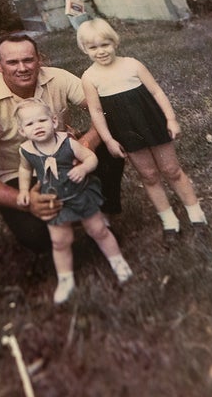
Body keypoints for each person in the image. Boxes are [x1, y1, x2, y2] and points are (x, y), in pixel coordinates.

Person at [0, 33, 125, 253]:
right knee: (37, 238)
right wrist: (25, 200)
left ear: (40, 59)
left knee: (111, 139)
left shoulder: (58, 78)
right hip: (19, 174)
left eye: (28, 60)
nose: (22, 68)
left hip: (65, 159)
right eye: (12, 62)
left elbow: (105, 111)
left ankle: (101, 215)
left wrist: (86, 143)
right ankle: (57, 218)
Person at [77, 18, 208, 249]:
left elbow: (156, 92)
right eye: (93, 47)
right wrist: (108, 139)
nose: (101, 51)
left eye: (105, 44)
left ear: (114, 42)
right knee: (148, 175)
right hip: (126, 132)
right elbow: (96, 111)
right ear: (85, 49)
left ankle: (196, 215)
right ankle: (169, 221)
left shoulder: (132, 65)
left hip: (152, 122)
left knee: (172, 170)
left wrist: (171, 119)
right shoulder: (89, 77)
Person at [15, 98, 132, 303]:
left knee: (98, 230)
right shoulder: (27, 150)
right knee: (59, 242)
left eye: (42, 120)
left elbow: (91, 158)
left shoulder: (67, 142)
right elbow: (24, 169)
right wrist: (24, 190)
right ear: (22, 131)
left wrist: (83, 168)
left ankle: (118, 262)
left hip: (79, 195)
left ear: (53, 121)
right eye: (30, 124)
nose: (37, 127)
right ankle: (65, 279)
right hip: (54, 201)